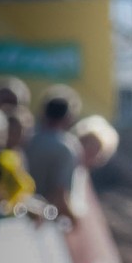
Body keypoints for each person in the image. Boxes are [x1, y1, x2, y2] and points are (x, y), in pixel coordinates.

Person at [24, 84, 85, 227]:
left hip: (17, 216)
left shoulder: (26, 139)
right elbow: (60, 194)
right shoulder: (66, 148)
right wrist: (76, 221)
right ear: (69, 117)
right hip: (44, 223)